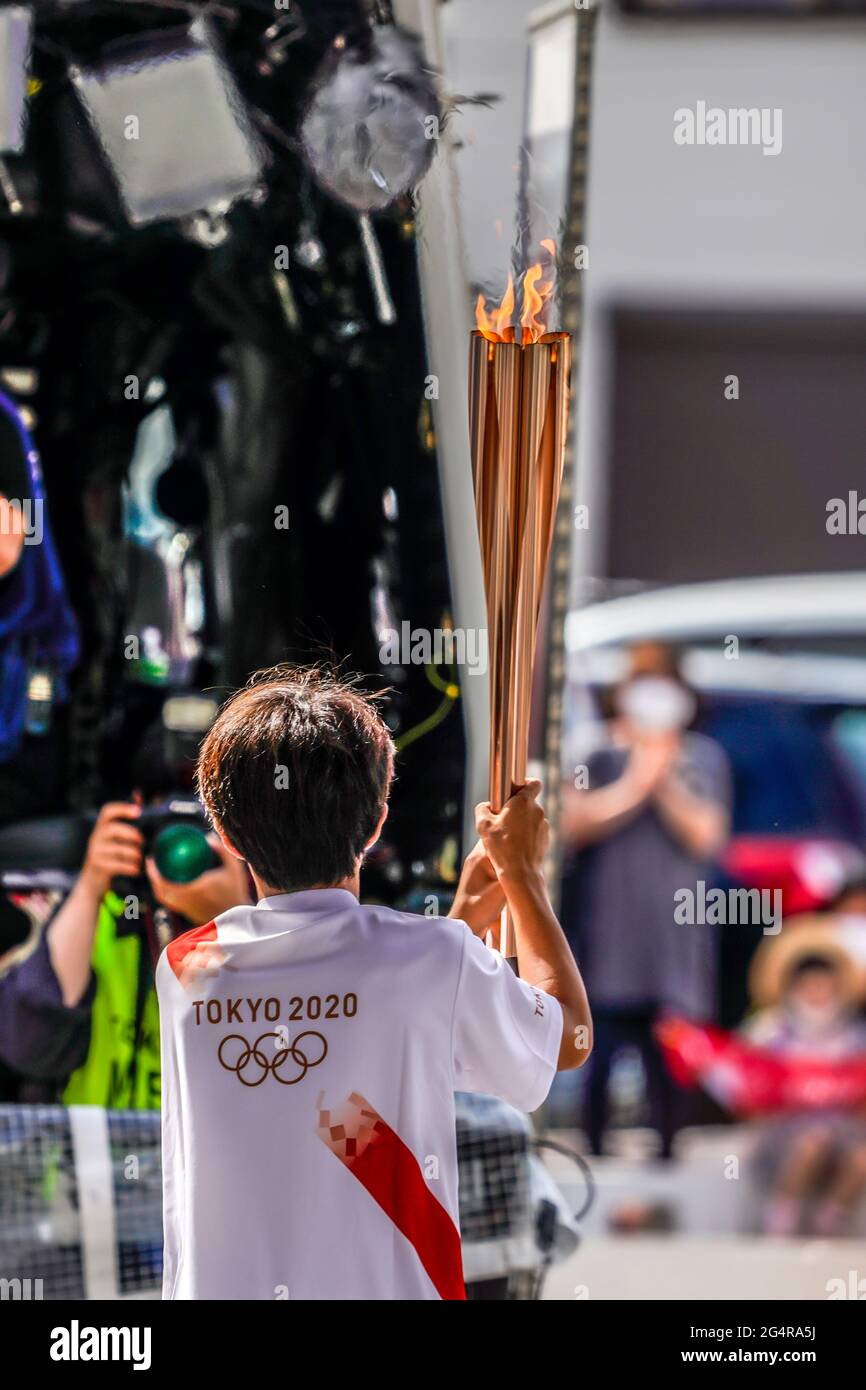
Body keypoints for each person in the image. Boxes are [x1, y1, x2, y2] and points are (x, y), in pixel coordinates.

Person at [157, 664, 592, 1301]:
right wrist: (521, 874)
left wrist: (464, 922)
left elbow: (372, 1015)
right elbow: (566, 1038)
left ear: (222, 833)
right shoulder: (426, 959)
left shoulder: (187, 969)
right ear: (378, 820)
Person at [561, 641, 731, 1158]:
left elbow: (706, 836)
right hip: (609, 934)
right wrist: (638, 778)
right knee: (601, 1046)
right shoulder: (596, 751)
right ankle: (592, 1149)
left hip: (674, 940)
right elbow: (575, 822)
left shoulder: (702, 758)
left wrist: (665, 778)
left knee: (670, 1054)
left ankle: (667, 1151)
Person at [0, 798, 251, 1106]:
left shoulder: (254, 906)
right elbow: (28, 1047)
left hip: (209, 1152)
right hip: (93, 1150)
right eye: (156, 824)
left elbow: (287, 1053)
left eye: (202, 827)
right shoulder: (100, 911)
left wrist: (233, 916)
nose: (179, 846)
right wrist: (91, 885)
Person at [744, 948, 866, 1237]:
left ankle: (831, 1220)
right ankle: (781, 1217)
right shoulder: (768, 1031)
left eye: (825, 986)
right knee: (813, 1143)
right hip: (785, 1133)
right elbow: (745, 1086)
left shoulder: (854, 1035)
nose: (818, 994)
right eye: (810, 985)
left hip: (844, 1132)